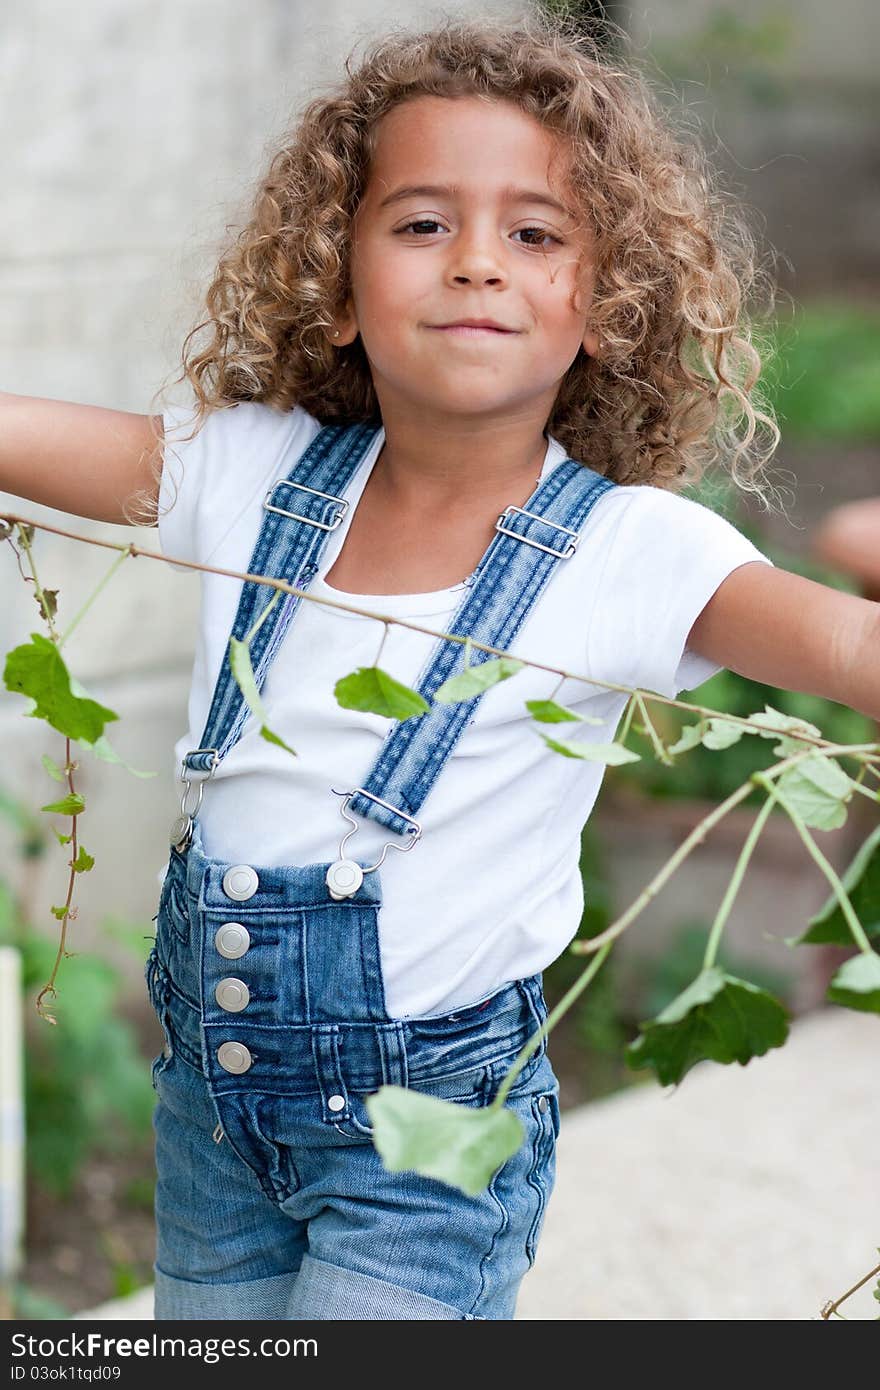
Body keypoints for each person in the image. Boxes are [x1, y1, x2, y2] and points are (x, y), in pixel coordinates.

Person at [2, 12, 878, 1322]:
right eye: (421, 224)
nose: (476, 261)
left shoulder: (628, 550)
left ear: (607, 299)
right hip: (211, 1114)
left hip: (430, 1147)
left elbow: (853, 645)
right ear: (338, 281)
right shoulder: (249, 474)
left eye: (534, 233)